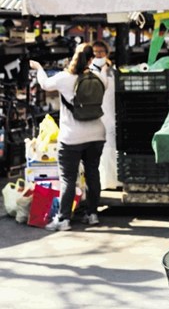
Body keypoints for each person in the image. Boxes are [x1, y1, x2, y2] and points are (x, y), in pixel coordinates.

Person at [30, 43, 107, 231]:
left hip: (72, 137)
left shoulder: (64, 78)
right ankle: (92, 214)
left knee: (68, 179)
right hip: (97, 134)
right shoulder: (100, 77)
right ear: (91, 59)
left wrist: (39, 68)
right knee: (93, 174)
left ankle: (63, 219)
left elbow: (44, 84)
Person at [91, 40, 120, 190]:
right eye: (95, 52)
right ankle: (103, 182)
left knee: (110, 147)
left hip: (110, 113)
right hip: (96, 115)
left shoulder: (112, 71)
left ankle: (112, 181)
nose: (98, 55)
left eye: (101, 52)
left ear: (107, 53)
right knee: (98, 150)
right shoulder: (88, 71)